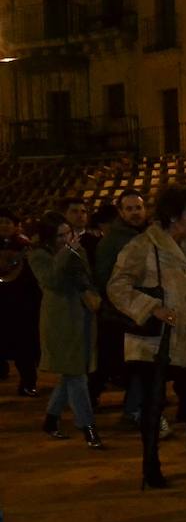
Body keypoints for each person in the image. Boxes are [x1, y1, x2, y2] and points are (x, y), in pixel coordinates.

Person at [107, 185, 186, 491]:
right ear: (173, 217)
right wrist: (152, 308)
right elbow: (117, 286)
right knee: (153, 407)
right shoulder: (142, 246)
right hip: (153, 345)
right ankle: (151, 467)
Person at [31, 211, 103, 447]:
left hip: (82, 318)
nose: (65, 239)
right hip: (59, 323)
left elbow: (85, 276)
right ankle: (88, 427)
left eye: (67, 234)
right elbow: (52, 280)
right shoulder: (37, 255)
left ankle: (51, 420)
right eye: (59, 235)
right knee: (77, 376)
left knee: (70, 374)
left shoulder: (76, 249)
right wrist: (67, 252)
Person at [91, 189, 148, 420]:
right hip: (118, 315)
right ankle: (87, 401)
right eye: (130, 208)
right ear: (121, 212)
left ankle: (134, 407)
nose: (135, 213)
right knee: (107, 364)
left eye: (138, 207)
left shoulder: (150, 235)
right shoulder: (112, 241)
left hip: (140, 311)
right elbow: (104, 278)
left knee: (139, 363)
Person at [0, 207, 41, 397]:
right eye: (1, 222)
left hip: (21, 303)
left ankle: (28, 382)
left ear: (16, 226)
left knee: (23, 344)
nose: (4, 225)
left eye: (8, 222)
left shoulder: (25, 246)